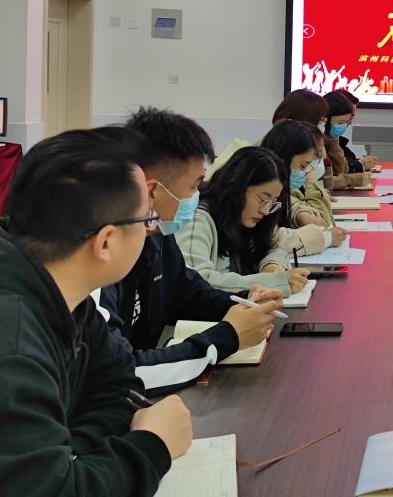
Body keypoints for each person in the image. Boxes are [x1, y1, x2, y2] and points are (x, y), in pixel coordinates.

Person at [0, 129, 195, 495]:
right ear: (105, 242)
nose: (151, 228)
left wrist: (65, 456)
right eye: (146, 219)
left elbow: (119, 386)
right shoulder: (6, 346)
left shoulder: (58, 289)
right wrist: (152, 445)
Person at [98, 109, 284, 395]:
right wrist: (225, 338)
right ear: (152, 190)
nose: (198, 195)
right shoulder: (101, 262)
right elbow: (119, 372)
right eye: (195, 185)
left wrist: (242, 302)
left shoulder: (158, 236)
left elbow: (188, 293)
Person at [176, 147, 307, 296]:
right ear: (237, 186)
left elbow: (272, 248)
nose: (265, 211)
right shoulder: (197, 220)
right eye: (263, 199)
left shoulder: (243, 219)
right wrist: (275, 282)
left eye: (272, 203)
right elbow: (199, 281)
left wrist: (270, 265)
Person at [260, 119, 347, 248]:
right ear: (284, 155)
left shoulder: (279, 186)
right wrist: (324, 238)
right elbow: (268, 239)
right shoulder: (258, 183)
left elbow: (288, 204)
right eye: (303, 165)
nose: (306, 171)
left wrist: (298, 214)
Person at [323, 90, 373, 189]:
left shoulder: (331, 140)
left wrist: (334, 139)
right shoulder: (313, 142)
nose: (348, 124)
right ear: (325, 120)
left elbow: (342, 171)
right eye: (341, 122)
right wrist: (351, 180)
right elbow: (322, 182)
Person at [328, 89, 378, 172]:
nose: (349, 122)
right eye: (341, 121)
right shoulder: (319, 141)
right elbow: (336, 169)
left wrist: (360, 162)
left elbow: (348, 159)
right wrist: (360, 165)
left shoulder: (336, 140)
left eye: (351, 117)